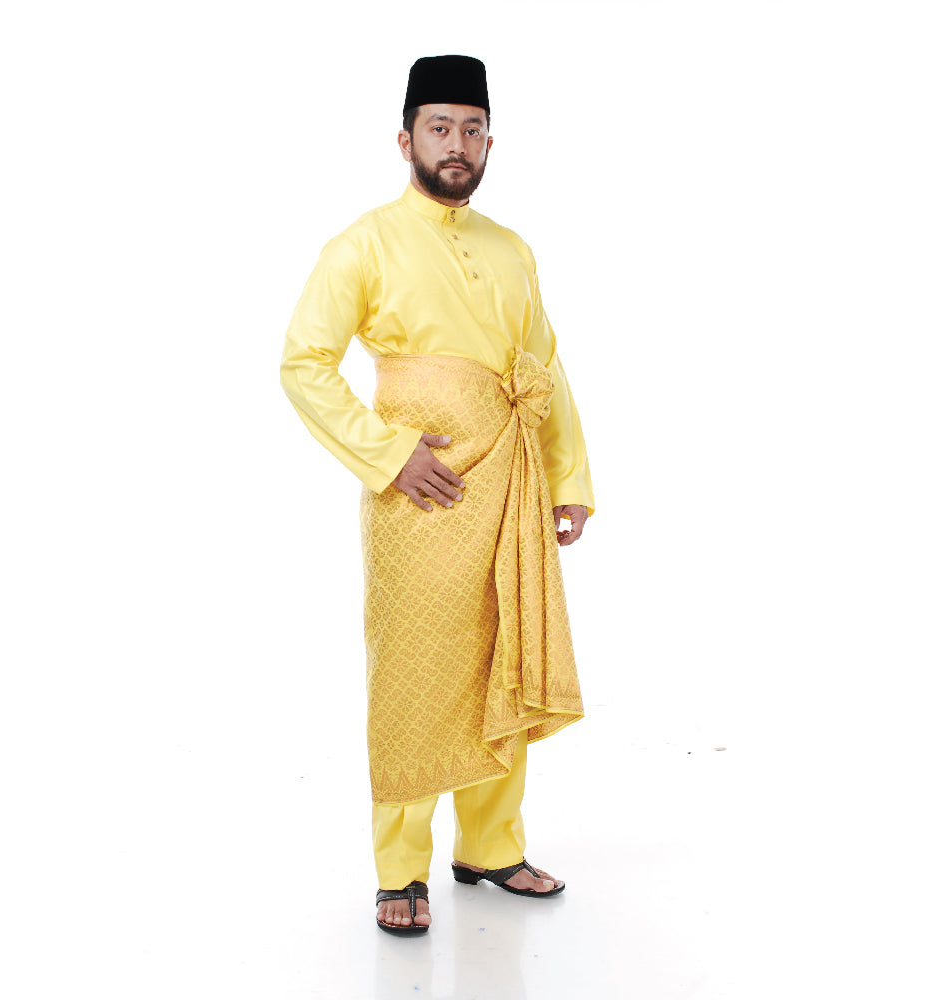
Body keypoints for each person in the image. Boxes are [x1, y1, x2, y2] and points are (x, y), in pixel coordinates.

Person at [279, 54, 595, 935]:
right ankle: (400, 869)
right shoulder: (364, 243)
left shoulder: (512, 248)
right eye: (440, 127)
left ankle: (490, 846)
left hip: (512, 485)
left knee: (505, 650)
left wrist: (568, 477)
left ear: (490, 141)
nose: (457, 144)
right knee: (414, 671)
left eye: (472, 129)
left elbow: (543, 368)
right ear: (405, 139)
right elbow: (303, 364)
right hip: (421, 495)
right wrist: (389, 455)